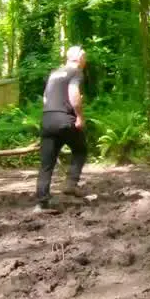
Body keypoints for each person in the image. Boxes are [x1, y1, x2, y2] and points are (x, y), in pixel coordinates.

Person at [36, 46, 89, 211]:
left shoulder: (54, 74)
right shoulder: (76, 73)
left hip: (47, 118)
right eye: (85, 57)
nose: (85, 61)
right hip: (65, 119)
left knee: (47, 163)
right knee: (81, 150)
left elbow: (45, 98)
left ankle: (42, 202)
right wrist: (79, 116)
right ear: (79, 58)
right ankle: (71, 185)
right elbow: (73, 93)